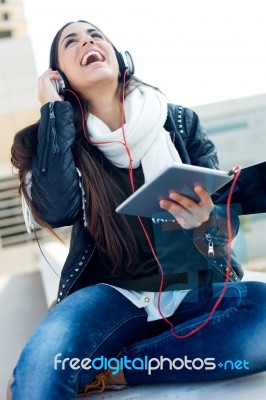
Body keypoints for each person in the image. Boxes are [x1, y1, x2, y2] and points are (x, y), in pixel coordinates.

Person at [8, 20, 266, 400]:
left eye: (96, 36)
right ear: (59, 77)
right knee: (40, 372)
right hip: (110, 295)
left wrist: (202, 223)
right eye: (71, 42)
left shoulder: (178, 122)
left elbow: (219, 236)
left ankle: (118, 371)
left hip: (192, 289)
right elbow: (57, 208)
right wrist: (53, 111)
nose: (88, 42)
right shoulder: (55, 138)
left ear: (119, 57)